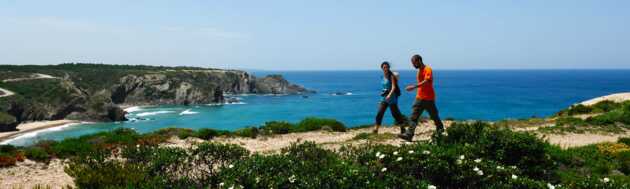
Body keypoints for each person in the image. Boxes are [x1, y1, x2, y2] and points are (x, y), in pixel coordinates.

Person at [398, 54, 445, 142]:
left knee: (434, 116)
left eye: (414, 63)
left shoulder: (428, 69)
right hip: (420, 98)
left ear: (419, 61)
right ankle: (409, 134)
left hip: (428, 98)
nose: (413, 65)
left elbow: (427, 81)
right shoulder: (419, 71)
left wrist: (414, 86)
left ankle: (440, 130)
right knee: (414, 117)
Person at [373, 61, 407, 134]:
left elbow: (393, 87)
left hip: (392, 98)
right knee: (379, 113)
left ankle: (402, 127)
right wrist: (382, 95)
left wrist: (389, 95)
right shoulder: (382, 77)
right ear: (382, 68)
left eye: (387, 67)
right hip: (384, 98)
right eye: (384, 67)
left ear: (389, 68)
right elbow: (384, 87)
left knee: (395, 114)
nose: (385, 68)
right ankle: (376, 129)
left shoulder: (391, 76)